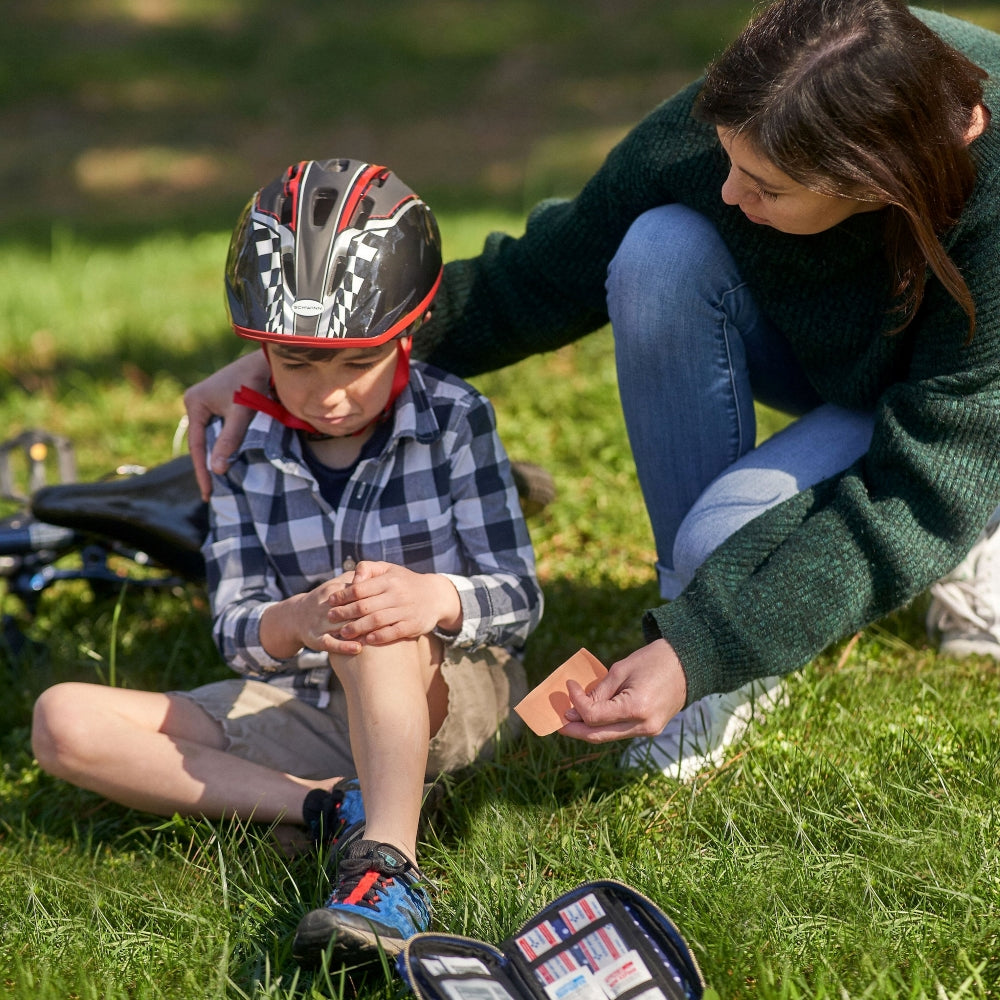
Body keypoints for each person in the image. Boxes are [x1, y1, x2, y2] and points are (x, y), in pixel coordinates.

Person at [183, 0, 1000, 780]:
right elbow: (541, 278)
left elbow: (914, 492)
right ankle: (701, 623)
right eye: (730, 161)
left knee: (761, 531)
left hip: (967, 403)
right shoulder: (765, 102)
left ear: (883, 180)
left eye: (768, 188)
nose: (729, 192)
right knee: (659, 250)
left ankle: (957, 536)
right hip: (856, 360)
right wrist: (323, 348)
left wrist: (704, 647)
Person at [31, 158, 542, 962]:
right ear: (259, 347)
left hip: (449, 691)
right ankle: (324, 811)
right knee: (63, 720)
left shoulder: (454, 418)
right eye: (296, 363)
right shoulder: (240, 444)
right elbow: (235, 632)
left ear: (409, 329)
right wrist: (297, 619)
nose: (327, 394)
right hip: (300, 702)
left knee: (373, 618)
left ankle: (390, 871)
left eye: (354, 363)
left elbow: (518, 597)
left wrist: (432, 600)